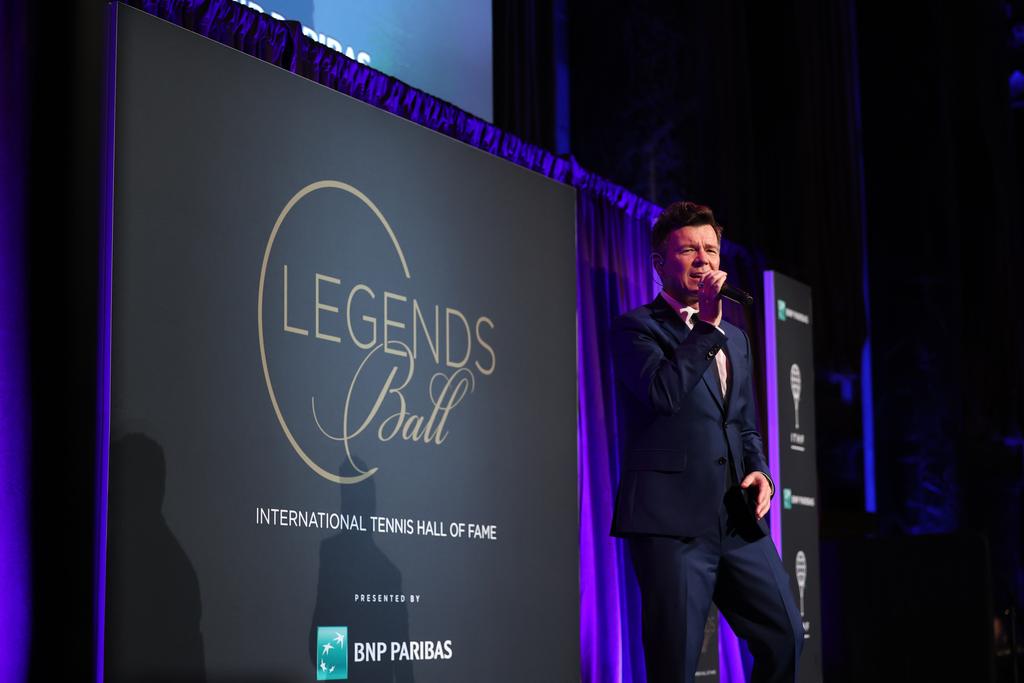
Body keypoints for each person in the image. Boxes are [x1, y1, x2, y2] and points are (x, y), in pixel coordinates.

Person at [610, 201, 803, 682]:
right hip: (671, 524)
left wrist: (761, 472)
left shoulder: (735, 338)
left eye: (711, 250)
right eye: (689, 251)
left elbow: (743, 423)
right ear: (659, 264)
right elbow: (662, 394)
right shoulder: (637, 328)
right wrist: (707, 327)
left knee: (785, 635)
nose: (703, 260)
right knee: (674, 663)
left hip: (736, 518)